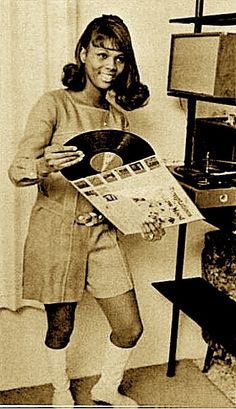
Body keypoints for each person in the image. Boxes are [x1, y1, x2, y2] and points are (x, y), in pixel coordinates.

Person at [8, 14, 165, 408]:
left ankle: (105, 390)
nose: (110, 66)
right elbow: (17, 169)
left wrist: (148, 215)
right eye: (101, 54)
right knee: (60, 327)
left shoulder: (118, 118)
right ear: (82, 54)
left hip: (101, 234)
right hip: (55, 230)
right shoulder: (54, 103)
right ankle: (60, 392)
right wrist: (44, 164)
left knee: (129, 327)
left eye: (119, 57)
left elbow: (121, 189)